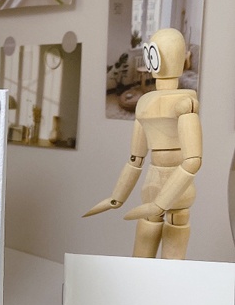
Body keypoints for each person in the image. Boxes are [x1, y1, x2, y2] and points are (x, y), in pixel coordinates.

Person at [84, 28, 201, 259]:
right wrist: (116, 197)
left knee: (172, 256)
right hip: (153, 184)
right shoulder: (145, 103)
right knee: (142, 252)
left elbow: (192, 161)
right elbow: (135, 159)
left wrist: (160, 203)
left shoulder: (185, 102)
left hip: (176, 189)